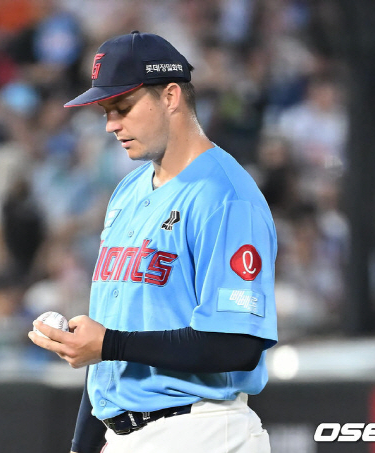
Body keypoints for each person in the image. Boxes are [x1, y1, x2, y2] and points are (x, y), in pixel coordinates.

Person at [28, 31, 278, 453]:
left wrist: (109, 344)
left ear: (171, 96)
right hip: (122, 434)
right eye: (106, 111)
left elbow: (238, 345)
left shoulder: (225, 196)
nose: (111, 124)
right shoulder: (128, 190)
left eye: (123, 107)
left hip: (201, 430)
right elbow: (106, 353)